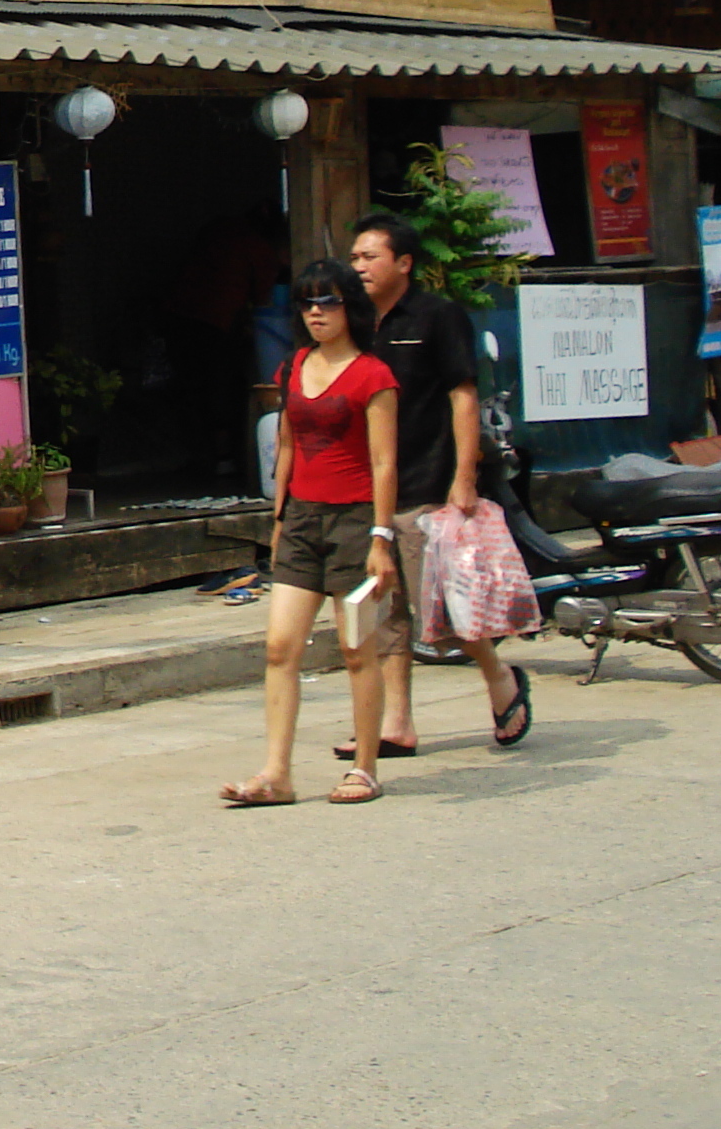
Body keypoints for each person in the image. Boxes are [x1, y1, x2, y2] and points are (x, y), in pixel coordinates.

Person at [349, 212, 531, 755]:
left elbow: (463, 395)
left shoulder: (437, 317)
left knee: (449, 608)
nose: (358, 267)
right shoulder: (355, 323)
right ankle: (396, 723)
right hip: (371, 487)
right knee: (385, 611)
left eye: (370, 257)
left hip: (428, 480)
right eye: (354, 258)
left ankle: (501, 679)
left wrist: (465, 476)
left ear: (404, 263)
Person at [223, 258, 398, 807]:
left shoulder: (374, 374)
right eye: (307, 303)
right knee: (280, 647)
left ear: (351, 308)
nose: (317, 313)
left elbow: (384, 462)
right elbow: (288, 448)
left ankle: (365, 768)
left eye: (329, 302)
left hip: (355, 520)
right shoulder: (294, 366)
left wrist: (380, 538)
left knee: (355, 649)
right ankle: (277, 773)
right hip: (301, 517)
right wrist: (277, 521)